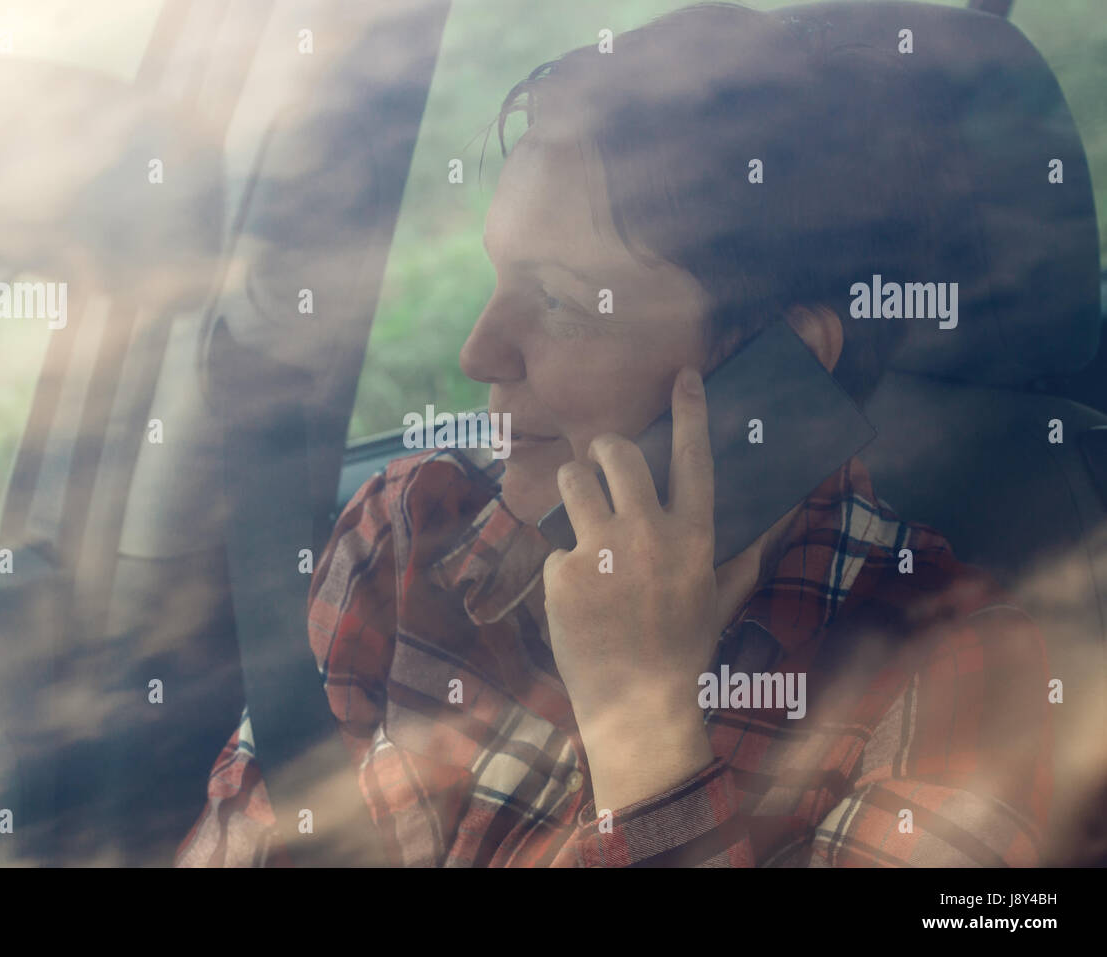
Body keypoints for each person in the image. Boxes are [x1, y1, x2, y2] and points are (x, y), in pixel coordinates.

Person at [176, 3, 1051, 867]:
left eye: (561, 300)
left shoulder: (957, 685)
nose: (478, 351)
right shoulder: (405, 539)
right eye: (497, 279)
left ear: (783, 367)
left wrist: (647, 732)